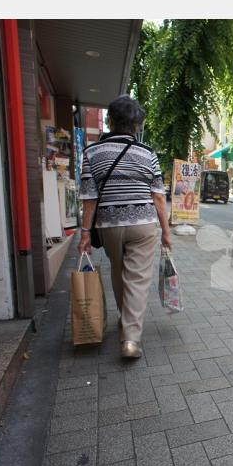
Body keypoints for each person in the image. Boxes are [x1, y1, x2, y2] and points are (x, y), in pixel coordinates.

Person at [78, 95, 171, 360]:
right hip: (143, 225)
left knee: (119, 273)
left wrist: (85, 234)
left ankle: (124, 319)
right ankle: (131, 339)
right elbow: (158, 197)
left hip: (109, 225)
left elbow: (89, 200)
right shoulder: (148, 154)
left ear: (109, 121)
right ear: (137, 126)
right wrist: (166, 232)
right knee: (138, 280)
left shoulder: (92, 153)